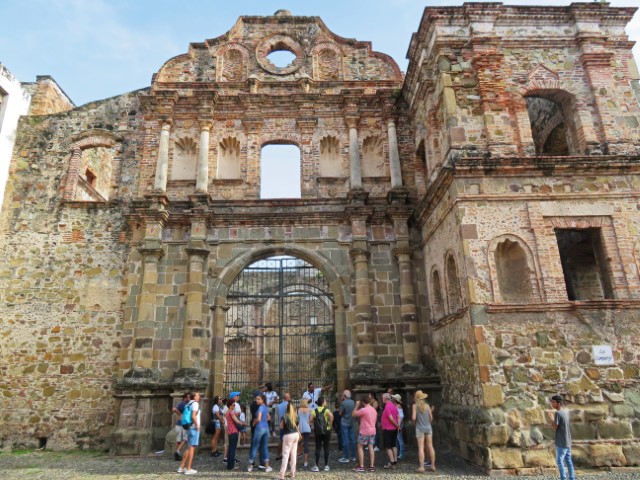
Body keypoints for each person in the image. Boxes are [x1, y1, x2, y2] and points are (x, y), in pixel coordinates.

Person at [548, 395, 575, 480]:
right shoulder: (565, 412)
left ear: (558, 403)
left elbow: (555, 427)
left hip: (562, 441)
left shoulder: (558, 413)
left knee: (559, 461)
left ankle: (563, 478)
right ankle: (572, 478)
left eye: (553, 402)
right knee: (568, 461)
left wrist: (551, 418)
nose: (552, 404)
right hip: (568, 441)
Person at [247, 394, 273, 473]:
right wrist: (263, 420)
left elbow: (258, 418)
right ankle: (267, 466)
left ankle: (250, 465)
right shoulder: (265, 407)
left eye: (258, 399)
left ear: (262, 400)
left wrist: (254, 423)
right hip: (266, 428)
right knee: (264, 447)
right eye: (256, 399)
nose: (257, 400)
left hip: (259, 428)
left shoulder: (261, 407)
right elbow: (269, 418)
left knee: (254, 446)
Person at [177, 391, 201, 475]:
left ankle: (181, 467)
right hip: (194, 427)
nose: (199, 397)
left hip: (188, 426)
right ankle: (188, 468)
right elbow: (193, 416)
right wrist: (197, 426)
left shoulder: (188, 404)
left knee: (188, 447)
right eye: (198, 395)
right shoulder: (195, 404)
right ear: (194, 397)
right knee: (192, 448)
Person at [352, 395, 377, 473]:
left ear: (363, 402)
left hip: (364, 431)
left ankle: (361, 466)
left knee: (359, 447)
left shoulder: (364, 410)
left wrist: (356, 406)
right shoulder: (374, 410)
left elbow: (353, 414)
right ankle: (371, 466)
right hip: (373, 430)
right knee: (371, 447)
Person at [412, 390, 435, 473]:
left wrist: (415, 424)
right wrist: (428, 423)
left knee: (421, 447)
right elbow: (431, 418)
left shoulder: (415, 406)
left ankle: (422, 467)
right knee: (430, 446)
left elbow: (414, 418)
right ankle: (432, 465)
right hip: (428, 427)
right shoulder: (428, 406)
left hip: (419, 428)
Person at [278, 401, 301, 480]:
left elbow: (281, 426)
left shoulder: (285, 416)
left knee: (285, 455)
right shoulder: (296, 416)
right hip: (296, 435)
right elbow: (298, 428)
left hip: (288, 435)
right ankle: (293, 473)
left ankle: (282, 474)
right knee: (293, 454)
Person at [310, 396, 333, 472]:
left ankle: (316, 466)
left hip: (318, 431)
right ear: (323, 402)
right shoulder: (326, 410)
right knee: (326, 447)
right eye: (325, 401)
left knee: (318, 448)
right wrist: (330, 424)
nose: (326, 402)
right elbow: (331, 416)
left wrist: (314, 424)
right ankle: (326, 465)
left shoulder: (314, 411)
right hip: (326, 430)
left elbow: (310, 420)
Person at [381, 393, 400, 469]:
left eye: (382, 398)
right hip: (394, 429)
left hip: (388, 429)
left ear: (385, 399)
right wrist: (398, 425)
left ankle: (392, 463)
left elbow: (391, 418)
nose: (382, 399)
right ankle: (395, 461)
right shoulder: (393, 405)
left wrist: (396, 425)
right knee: (393, 445)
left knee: (388, 447)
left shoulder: (387, 406)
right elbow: (398, 416)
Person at [337, 389, 356, 463]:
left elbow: (340, 413)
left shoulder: (343, 403)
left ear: (344, 396)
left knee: (345, 440)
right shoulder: (353, 402)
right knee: (352, 440)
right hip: (351, 422)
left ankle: (346, 456)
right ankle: (353, 456)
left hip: (345, 422)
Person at [225, 397, 243, 470]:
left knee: (230, 448)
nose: (234, 406)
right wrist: (242, 423)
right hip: (234, 431)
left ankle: (229, 465)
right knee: (233, 449)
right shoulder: (231, 412)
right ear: (230, 405)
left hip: (229, 431)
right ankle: (231, 466)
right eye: (233, 405)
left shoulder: (227, 412)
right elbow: (236, 421)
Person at [222, 392, 241, 464]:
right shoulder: (236, 405)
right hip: (233, 426)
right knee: (233, 444)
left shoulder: (227, 404)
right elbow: (238, 414)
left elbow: (224, 414)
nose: (239, 396)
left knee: (227, 442)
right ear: (234, 397)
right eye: (237, 395)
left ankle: (226, 457)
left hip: (227, 425)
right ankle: (230, 459)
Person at [171, 392, 189, 461]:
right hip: (182, 425)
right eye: (188, 397)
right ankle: (177, 451)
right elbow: (174, 409)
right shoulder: (183, 404)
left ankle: (177, 453)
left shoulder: (184, 404)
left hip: (180, 424)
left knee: (179, 440)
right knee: (185, 439)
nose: (189, 398)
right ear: (185, 398)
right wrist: (180, 414)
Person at [297, 398, 312, 469]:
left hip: (300, 428)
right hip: (307, 427)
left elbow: (297, 419)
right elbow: (311, 420)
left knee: (298, 442)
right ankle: (305, 462)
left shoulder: (298, 410)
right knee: (306, 444)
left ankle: (296, 456)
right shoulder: (309, 410)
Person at [276, 392, 291, 460]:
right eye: (289, 397)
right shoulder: (289, 405)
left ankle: (278, 454)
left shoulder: (279, 406)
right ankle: (288, 455)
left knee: (281, 440)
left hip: (281, 424)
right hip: (288, 425)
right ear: (287, 398)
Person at [393, 394, 406, 459]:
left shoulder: (398, 406)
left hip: (398, 424)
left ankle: (402, 453)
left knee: (399, 439)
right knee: (397, 439)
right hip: (397, 424)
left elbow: (401, 416)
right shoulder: (396, 406)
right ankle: (399, 452)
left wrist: (398, 425)